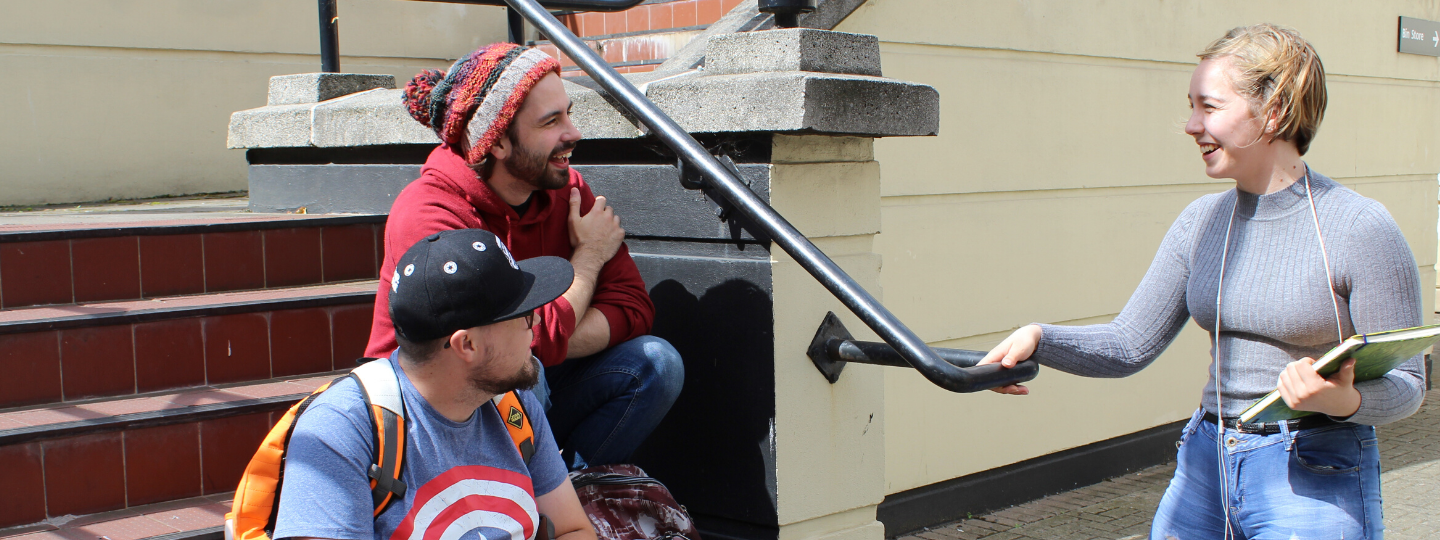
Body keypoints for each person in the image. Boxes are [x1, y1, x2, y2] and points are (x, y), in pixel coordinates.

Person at [979, 24, 1423, 539]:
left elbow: (1410, 387)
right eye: (1191, 106)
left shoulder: (1359, 227)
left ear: (1273, 110)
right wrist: (1040, 337)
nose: (1190, 125)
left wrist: (1338, 401)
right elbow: (1128, 345)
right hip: (1205, 464)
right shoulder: (1202, 222)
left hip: (1313, 467)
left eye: (1208, 107)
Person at [366, 43, 684, 469]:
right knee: (519, 375)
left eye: (568, 113)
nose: (573, 133)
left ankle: (565, 492)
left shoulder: (567, 189)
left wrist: (548, 340)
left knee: (656, 363)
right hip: (432, 414)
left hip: (528, 379)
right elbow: (493, 353)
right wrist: (588, 258)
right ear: (496, 142)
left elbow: (633, 306)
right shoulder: (430, 214)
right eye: (552, 121)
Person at [275, 229, 594, 540]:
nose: (537, 321)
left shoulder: (514, 406)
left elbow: (572, 529)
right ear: (466, 344)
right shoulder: (340, 428)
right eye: (524, 315)